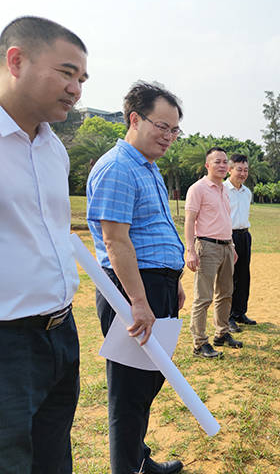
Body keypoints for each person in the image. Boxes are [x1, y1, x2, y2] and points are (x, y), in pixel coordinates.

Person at [0, 16, 87, 474]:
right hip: (7, 341)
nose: (76, 89)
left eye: (82, 79)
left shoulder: (54, 150)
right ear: (16, 60)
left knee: (53, 455)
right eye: (66, 72)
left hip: (60, 332)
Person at [86, 81, 185, 474]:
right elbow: (116, 241)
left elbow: (154, 230)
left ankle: (139, 460)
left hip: (155, 285)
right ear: (134, 119)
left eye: (175, 130)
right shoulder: (118, 167)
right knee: (128, 394)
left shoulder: (148, 167)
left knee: (147, 384)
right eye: (162, 127)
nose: (169, 137)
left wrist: (172, 280)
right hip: (131, 291)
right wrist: (139, 303)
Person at [185, 147, 243, 357]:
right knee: (203, 297)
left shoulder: (223, 190)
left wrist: (232, 247)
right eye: (217, 161)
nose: (221, 165)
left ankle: (222, 333)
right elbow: (190, 221)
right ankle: (199, 343)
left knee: (225, 294)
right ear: (207, 165)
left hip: (227, 246)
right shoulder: (198, 189)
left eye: (224, 162)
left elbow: (226, 220)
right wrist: (190, 250)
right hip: (207, 247)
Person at [224, 153, 257, 333]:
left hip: (245, 236)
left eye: (245, 170)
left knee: (244, 276)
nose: (243, 173)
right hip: (228, 236)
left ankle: (240, 312)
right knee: (229, 278)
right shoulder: (222, 190)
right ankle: (227, 316)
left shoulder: (247, 192)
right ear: (230, 170)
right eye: (239, 169)